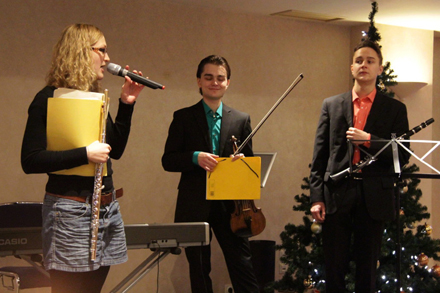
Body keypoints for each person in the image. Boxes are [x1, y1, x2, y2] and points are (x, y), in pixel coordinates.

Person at [21, 24, 144, 293]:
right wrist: (84, 154)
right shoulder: (49, 98)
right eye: (102, 50)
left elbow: (116, 150)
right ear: (80, 52)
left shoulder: (95, 98)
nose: (108, 58)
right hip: (70, 210)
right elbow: (30, 160)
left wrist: (126, 104)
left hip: (106, 209)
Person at [309, 39, 410, 293]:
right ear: (351, 68)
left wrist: (369, 141)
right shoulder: (331, 105)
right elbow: (320, 156)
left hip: (374, 197)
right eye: (359, 61)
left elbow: (403, 154)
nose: (363, 65)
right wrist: (316, 197)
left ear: (380, 68)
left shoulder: (395, 109)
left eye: (370, 61)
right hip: (336, 194)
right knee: (334, 268)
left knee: (367, 271)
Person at [162, 55, 260, 293]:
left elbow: (248, 161)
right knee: (198, 267)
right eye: (208, 77)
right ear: (199, 81)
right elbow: (168, 160)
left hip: (233, 206)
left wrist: (241, 162)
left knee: (242, 265)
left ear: (228, 82)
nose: (214, 82)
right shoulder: (183, 117)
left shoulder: (241, 119)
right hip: (194, 203)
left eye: (220, 78)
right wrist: (196, 157)